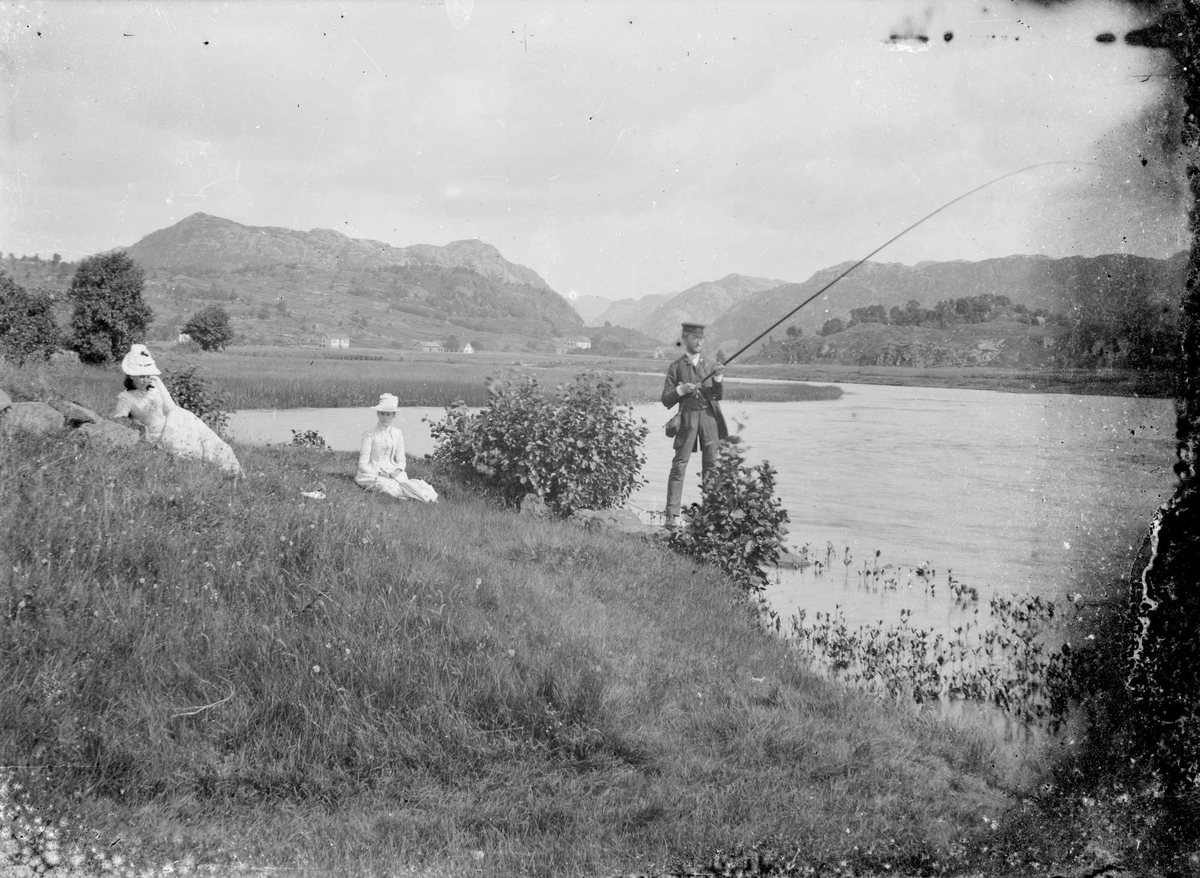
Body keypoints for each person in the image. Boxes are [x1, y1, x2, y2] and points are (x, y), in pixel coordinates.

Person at [112, 344, 244, 477]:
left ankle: (235, 479)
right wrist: (139, 427)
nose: (145, 380)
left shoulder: (155, 383)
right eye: (141, 376)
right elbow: (119, 421)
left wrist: (167, 433)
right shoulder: (126, 398)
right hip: (156, 434)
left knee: (221, 448)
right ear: (131, 376)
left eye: (147, 376)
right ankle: (217, 480)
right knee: (195, 457)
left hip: (179, 422)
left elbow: (172, 409)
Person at [661, 322, 727, 529]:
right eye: (694, 338)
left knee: (711, 466)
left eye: (702, 339)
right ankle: (671, 515)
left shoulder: (710, 364)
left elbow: (718, 396)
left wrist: (717, 377)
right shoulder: (676, 366)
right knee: (679, 464)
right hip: (687, 418)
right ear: (685, 339)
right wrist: (680, 390)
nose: (699, 342)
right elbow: (665, 399)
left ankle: (710, 515)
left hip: (709, 417)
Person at [356, 393, 438, 502]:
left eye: (388, 414)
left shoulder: (397, 433)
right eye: (382, 414)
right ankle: (409, 497)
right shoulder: (369, 435)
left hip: (393, 471)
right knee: (385, 486)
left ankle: (418, 497)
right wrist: (379, 474)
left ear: (394, 415)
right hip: (372, 472)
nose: (385, 417)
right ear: (378, 414)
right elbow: (362, 465)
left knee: (412, 485)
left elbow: (401, 459)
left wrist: (397, 470)